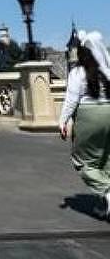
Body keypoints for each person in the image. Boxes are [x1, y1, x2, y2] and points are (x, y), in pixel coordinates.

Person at [59, 31, 110, 218]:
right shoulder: (108, 71)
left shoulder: (78, 73)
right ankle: (104, 206)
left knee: (82, 161)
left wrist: (62, 121)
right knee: (105, 160)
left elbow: (71, 101)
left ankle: (107, 193)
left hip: (90, 115)